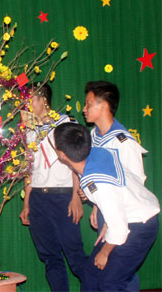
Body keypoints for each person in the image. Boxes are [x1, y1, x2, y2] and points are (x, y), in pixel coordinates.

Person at [54, 122, 159, 291]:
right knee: (91, 275)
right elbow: (116, 194)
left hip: (139, 224)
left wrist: (105, 252)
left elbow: (119, 229)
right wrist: (108, 220)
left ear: (62, 154)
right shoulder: (97, 153)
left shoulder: (97, 183)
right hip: (126, 215)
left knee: (110, 283)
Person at [19, 83, 88, 291]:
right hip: (38, 198)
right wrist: (27, 203)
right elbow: (29, 168)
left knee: (75, 255)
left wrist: (76, 196)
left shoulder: (66, 123)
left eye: (30, 100)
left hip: (63, 196)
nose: (26, 105)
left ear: (43, 100)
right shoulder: (29, 129)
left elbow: (77, 161)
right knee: (50, 257)